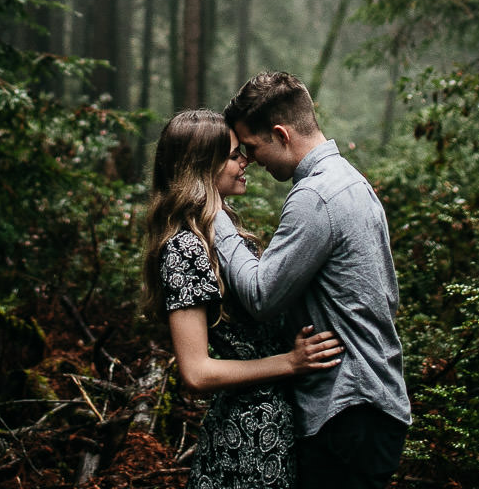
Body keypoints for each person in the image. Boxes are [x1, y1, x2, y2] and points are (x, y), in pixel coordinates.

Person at [211, 71, 411, 489]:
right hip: (368, 409)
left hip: (348, 411)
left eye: (252, 146)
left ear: (281, 134)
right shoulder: (351, 183)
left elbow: (262, 295)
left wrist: (215, 216)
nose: (251, 161)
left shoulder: (316, 196)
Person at [143, 109, 345, 489]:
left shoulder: (216, 233)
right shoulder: (186, 247)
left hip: (269, 427)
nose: (245, 160)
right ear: (204, 164)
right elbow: (197, 372)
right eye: (234, 154)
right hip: (246, 439)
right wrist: (289, 362)